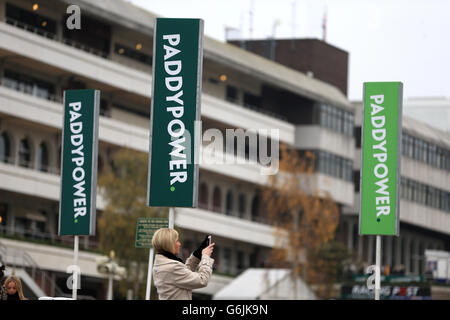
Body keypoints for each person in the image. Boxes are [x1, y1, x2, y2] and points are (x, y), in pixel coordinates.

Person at [152, 228, 214, 300]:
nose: (179, 244)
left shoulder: (162, 265)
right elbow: (202, 280)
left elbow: (183, 275)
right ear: (169, 244)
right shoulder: (172, 267)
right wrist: (206, 257)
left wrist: (197, 255)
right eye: (177, 241)